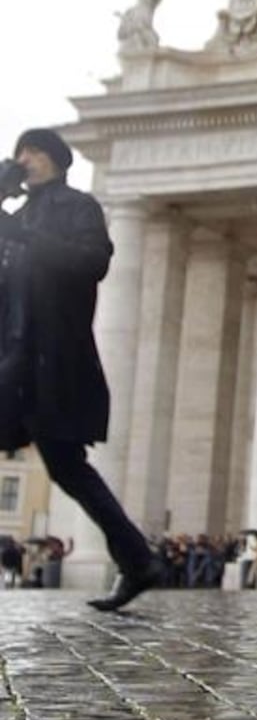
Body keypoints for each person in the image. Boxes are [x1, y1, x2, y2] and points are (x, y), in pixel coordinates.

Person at [0, 128, 164, 610]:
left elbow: (93, 262)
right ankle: (139, 560)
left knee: (69, 469)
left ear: (53, 159)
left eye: (30, 151)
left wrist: (25, 233)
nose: (22, 158)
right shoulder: (18, 215)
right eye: (18, 153)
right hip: (13, 360)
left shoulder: (78, 207)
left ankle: (138, 560)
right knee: (70, 470)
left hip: (54, 360)